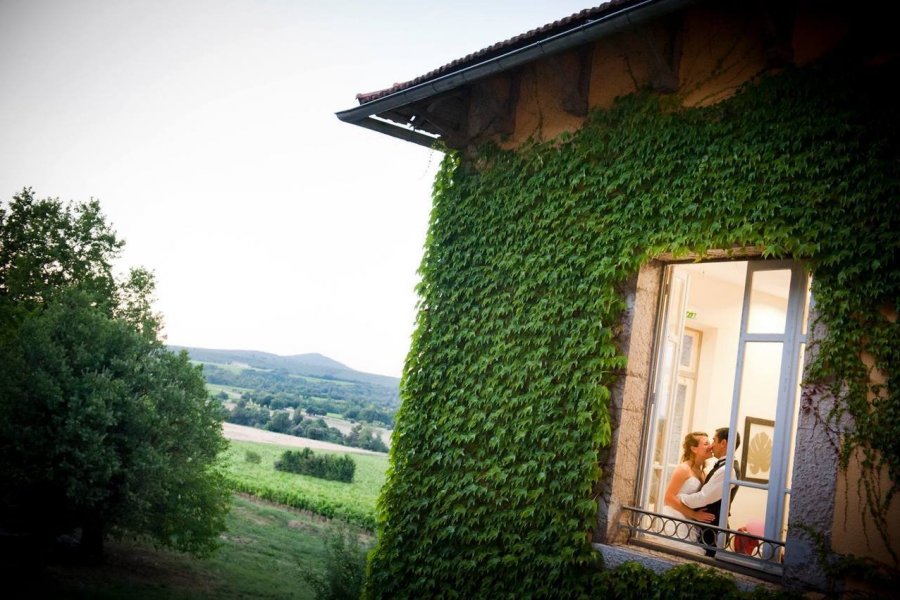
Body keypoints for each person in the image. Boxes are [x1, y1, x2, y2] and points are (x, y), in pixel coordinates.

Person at [679, 426, 741, 557]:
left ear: (723, 443)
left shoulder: (727, 469)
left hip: (713, 530)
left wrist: (680, 497)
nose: (711, 445)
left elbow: (703, 498)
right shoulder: (722, 466)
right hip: (708, 527)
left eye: (714, 440)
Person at [656, 431, 716, 555]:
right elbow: (668, 498)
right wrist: (694, 514)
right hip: (676, 518)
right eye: (706, 444)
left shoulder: (703, 472)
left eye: (710, 443)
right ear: (694, 448)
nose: (710, 446)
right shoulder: (683, 469)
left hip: (689, 520)